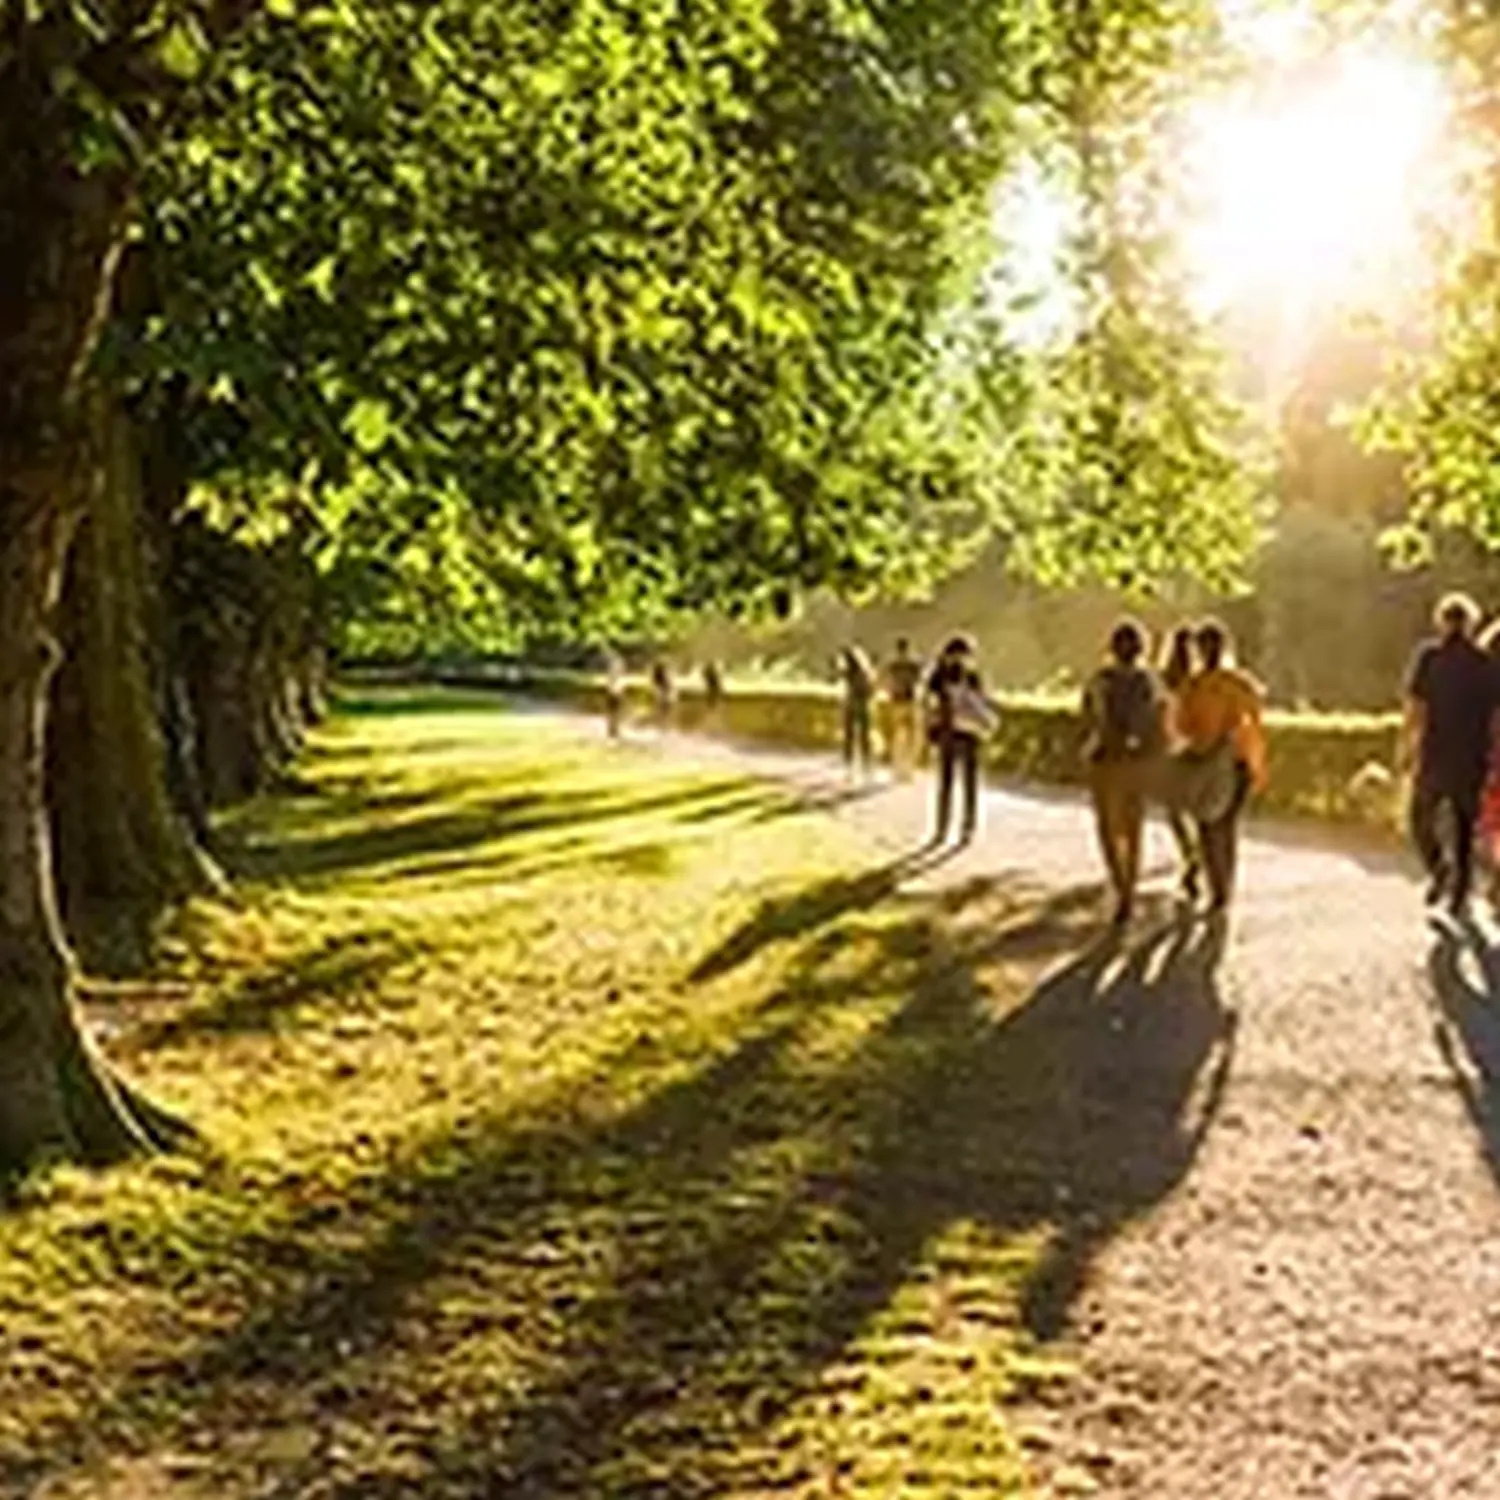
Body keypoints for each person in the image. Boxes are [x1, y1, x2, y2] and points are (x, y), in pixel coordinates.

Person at [1404, 593, 1498, 914]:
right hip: (1472, 755)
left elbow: (1416, 708)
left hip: (1435, 754)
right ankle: (1458, 894)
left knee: (1419, 819)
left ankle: (1439, 869)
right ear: (1471, 624)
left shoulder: (1428, 657)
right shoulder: (1486, 664)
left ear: (1441, 622)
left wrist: (1409, 749)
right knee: (1464, 826)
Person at [1173, 620, 1267, 914]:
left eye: (1212, 646)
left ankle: (1221, 889)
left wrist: (1252, 760)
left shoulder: (1235, 683)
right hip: (1207, 762)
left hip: (1234, 763)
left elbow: (1253, 724)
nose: (1208, 651)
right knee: (1209, 826)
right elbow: (1182, 725)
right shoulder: (1195, 685)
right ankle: (1218, 886)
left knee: (1221, 826)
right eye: (1204, 646)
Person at [1082, 619, 1166, 924]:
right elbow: (1158, 719)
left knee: (1108, 827)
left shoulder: (1100, 680)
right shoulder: (1150, 681)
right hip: (1138, 760)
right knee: (1133, 826)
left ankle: (1121, 885)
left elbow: (1088, 717)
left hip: (1106, 758)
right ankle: (1128, 887)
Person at [925, 634, 991, 844]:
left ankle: (966, 828)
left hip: (968, 733)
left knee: (968, 783)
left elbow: (982, 702)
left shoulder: (972, 677)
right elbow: (928, 704)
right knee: (947, 782)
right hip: (949, 732)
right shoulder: (938, 676)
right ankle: (942, 828)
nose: (961, 660)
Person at [1159, 625, 1202, 900]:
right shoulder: (1200, 681)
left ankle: (1190, 857)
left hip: (1172, 751)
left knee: (1176, 814)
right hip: (1196, 750)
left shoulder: (1164, 680)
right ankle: (1194, 859)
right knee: (1198, 814)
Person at [883, 637, 924, 780]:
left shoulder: (893, 663)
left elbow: (887, 681)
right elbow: (920, 682)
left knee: (896, 737)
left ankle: (897, 768)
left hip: (896, 701)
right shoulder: (915, 663)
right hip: (910, 700)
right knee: (912, 737)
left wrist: (890, 692)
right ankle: (909, 769)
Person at [839, 645, 877, 778]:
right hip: (863, 706)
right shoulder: (865, 672)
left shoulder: (849, 672)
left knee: (850, 737)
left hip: (851, 705)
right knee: (864, 738)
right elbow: (871, 689)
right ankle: (867, 766)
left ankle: (849, 766)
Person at [603, 648, 625, 740]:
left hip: (615, 692)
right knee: (613, 713)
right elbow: (611, 682)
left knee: (615, 713)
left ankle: (614, 731)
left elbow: (611, 682)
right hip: (614, 693)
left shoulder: (615, 674)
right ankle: (612, 731)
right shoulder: (613, 673)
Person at [650, 658, 675, 732]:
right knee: (664, 711)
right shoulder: (662, 676)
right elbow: (669, 685)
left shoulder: (657, 676)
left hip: (662, 693)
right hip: (664, 694)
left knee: (662, 711)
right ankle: (663, 727)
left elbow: (668, 685)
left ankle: (662, 726)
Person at [701, 659, 725, 733]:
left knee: (712, 696)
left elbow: (708, 678)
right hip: (713, 687)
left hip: (712, 687)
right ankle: (712, 708)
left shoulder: (708, 672)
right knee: (713, 696)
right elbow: (716, 681)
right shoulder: (711, 673)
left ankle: (711, 708)